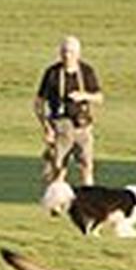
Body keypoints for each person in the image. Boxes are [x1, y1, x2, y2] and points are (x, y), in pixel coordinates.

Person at [33, 35, 103, 186]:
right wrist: (46, 127)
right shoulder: (52, 73)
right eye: (64, 51)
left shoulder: (86, 71)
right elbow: (38, 102)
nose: (67, 55)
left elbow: (99, 97)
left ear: (78, 53)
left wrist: (83, 96)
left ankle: (89, 198)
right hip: (60, 125)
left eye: (71, 52)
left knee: (86, 165)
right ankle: (56, 201)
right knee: (58, 166)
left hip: (82, 125)